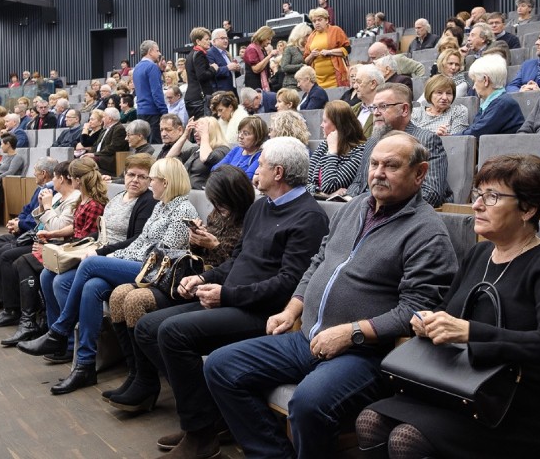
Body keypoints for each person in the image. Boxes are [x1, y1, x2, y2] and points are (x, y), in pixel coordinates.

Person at [205, 132, 458, 458]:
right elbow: (317, 264)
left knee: (309, 403)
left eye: (391, 166)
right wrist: (291, 310)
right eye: (375, 163)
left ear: (420, 173)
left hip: (365, 354)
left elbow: (415, 310)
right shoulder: (354, 207)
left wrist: (351, 332)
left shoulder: (427, 231)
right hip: (309, 337)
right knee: (220, 366)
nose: (378, 172)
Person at [358, 154, 540, 459]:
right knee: (369, 420)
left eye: (492, 197)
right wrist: (427, 320)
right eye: (478, 194)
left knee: (407, 439)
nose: (476, 205)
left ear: (527, 209)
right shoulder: (478, 255)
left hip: (521, 403)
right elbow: (446, 309)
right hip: (462, 386)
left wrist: (469, 332)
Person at [132, 137, 329, 457]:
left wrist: (227, 295)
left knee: (172, 332)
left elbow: (290, 285)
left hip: (264, 313)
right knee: (147, 327)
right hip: (233, 299)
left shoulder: (309, 217)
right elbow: (238, 260)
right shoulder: (260, 207)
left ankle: (200, 435)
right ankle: (210, 418)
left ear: (277, 173)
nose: (255, 169)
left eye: (261, 164)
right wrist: (204, 278)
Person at [16, 158, 198, 394]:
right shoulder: (161, 205)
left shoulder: (183, 209)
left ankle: (59, 332)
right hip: (141, 265)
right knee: (92, 286)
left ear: (166, 181)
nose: (149, 183)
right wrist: (114, 259)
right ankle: (85, 366)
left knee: (91, 264)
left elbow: (162, 255)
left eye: (151, 179)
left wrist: (111, 259)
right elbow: (141, 243)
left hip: (158, 273)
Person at [103, 164, 256, 409]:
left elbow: (239, 268)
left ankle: (148, 382)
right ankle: (137, 375)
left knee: (133, 300)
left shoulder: (250, 219)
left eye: (220, 202)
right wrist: (197, 240)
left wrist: (214, 246)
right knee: (119, 294)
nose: (216, 208)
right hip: (191, 278)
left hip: (213, 287)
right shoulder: (217, 214)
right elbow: (196, 257)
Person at [8, 154, 157, 354]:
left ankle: (64, 338)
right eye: (131, 174)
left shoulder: (147, 201)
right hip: (100, 250)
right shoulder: (118, 197)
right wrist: (77, 245)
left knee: (64, 281)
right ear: (124, 174)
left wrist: (96, 250)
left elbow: (136, 240)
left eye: (142, 176)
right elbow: (99, 231)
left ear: (150, 180)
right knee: (47, 274)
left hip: (118, 256)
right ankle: (59, 339)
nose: (135, 180)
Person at [0, 161, 81, 330]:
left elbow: (58, 227)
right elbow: (40, 222)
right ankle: (21, 313)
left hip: (57, 244)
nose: (52, 181)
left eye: (54, 177)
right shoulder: (59, 196)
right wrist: (41, 206)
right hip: (43, 239)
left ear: (60, 179)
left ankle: (24, 317)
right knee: (5, 256)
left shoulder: (74, 198)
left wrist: (46, 206)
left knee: (14, 259)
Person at [0, 157, 58, 304]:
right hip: (21, 231)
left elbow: (39, 220)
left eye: (35, 171)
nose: (33, 173)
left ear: (43, 173)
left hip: (29, 235)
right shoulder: (40, 188)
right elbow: (27, 209)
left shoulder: (51, 191)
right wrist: (17, 221)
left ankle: (5, 299)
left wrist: (20, 224)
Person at [346, 84, 453, 207]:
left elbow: (430, 194)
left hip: (408, 218)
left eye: (383, 106)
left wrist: (376, 202)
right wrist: (348, 199)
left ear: (404, 110)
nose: (375, 113)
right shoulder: (372, 141)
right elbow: (358, 183)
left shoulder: (427, 140)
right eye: (374, 107)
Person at [307, 101, 366, 196]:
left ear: (338, 125)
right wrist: (325, 195)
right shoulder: (323, 146)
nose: (321, 125)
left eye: (325, 121)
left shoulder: (359, 151)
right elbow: (305, 184)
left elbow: (329, 186)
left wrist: (332, 152)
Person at [462, 54, 525, 137]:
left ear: (486, 80)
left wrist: (450, 137)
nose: (473, 87)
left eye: (475, 81)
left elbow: (476, 133)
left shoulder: (503, 103)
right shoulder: (492, 102)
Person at [167, 116, 230, 189]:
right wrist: (185, 135)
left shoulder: (223, 150)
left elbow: (207, 158)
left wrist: (204, 135)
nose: (195, 134)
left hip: (205, 197)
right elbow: (169, 158)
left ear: (211, 132)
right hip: (188, 194)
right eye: (195, 131)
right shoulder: (196, 150)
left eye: (199, 131)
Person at [304, 7, 350, 89]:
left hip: (335, 78)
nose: (317, 23)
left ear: (327, 20)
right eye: (314, 21)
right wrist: (311, 55)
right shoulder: (311, 36)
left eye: (319, 20)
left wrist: (330, 52)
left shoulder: (336, 30)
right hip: (318, 80)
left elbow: (347, 49)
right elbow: (306, 60)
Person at [134, 39, 168, 144]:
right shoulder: (152, 67)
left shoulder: (137, 67)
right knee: (156, 146)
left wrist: (160, 71)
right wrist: (164, 112)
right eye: (157, 50)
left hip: (141, 112)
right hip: (153, 113)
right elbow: (156, 92)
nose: (159, 53)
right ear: (150, 51)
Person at [213, 116, 268, 180]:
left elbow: (246, 178)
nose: (240, 136)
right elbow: (215, 169)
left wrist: (224, 174)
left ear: (258, 137)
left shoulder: (260, 155)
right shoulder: (236, 149)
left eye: (246, 133)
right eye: (239, 132)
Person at [184, 27, 218, 119]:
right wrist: (213, 69)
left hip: (192, 96)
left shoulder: (191, 54)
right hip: (199, 98)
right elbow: (202, 75)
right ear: (198, 41)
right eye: (206, 39)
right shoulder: (199, 54)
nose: (209, 42)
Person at [85, 107, 129, 176]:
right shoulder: (104, 130)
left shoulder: (119, 128)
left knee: (88, 161)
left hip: (109, 158)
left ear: (110, 119)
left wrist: (95, 154)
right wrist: (89, 153)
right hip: (101, 156)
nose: (102, 119)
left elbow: (114, 147)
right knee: (83, 160)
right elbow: (96, 145)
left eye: (104, 117)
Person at [0, 133, 26, 209]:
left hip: (5, 182)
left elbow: (10, 172)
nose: (1, 146)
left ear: (8, 144)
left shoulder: (17, 157)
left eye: (2, 144)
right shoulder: (4, 156)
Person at [350, 64, 385, 138]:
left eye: (359, 82)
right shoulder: (352, 110)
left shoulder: (386, 110)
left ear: (373, 84)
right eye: (355, 82)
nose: (355, 86)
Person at [207, 27, 241, 96]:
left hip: (232, 90)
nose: (226, 41)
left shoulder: (226, 54)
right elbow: (211, 73)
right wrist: (228, 68)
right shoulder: (209, 54)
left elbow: (231, 73)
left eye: (226, 38)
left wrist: (236, 69)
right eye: (222, 38)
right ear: (213, 42)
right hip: (220, 93)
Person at [243, 25, 279, 91]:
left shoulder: (262, 49)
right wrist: (269, 56)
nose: (269, 42)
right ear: (262, 37)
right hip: (255, 86)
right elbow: (256, 69)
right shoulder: (252, 49)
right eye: (268, 39)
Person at [280, 23, 312, 89]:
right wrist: (301, 66)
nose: (309, 38)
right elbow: (284, 67)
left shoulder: (310, 48)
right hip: (292, 84)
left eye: (310, 35)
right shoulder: (290, 49)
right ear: (300, 35)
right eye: (307, 35)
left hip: (307, 84)